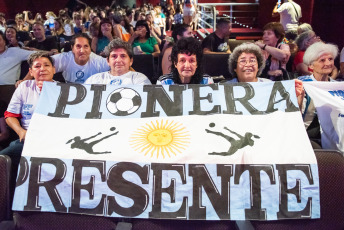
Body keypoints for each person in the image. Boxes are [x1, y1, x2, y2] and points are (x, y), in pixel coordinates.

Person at [0, 52, 55, 156]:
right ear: (31, 72)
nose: (42, 69)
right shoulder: (24, 86)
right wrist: (21, 131)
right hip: (28, 139)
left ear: (54, 69)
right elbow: (10, 115)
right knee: (4, 159)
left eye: (46, 65)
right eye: (37, 66)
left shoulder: (64, 89)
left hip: (54, 140)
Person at [21, 33, 109, 84]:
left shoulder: (99, 61)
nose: (82, 50)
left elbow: (116, 67)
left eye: (86, 46)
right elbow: (39, 64)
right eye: (78, 46)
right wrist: (24, 82)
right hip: (69, 93)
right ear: (72, 48)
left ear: (90, 49)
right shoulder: (65, 58)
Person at [298, 42, 338, 146]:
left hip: (335, 133)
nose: (328, 63)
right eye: (322, 60)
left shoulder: (338, 86)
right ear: (311, 65)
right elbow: (295, 112)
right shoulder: (302, 83)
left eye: (330, 59)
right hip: (309, 133)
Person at [86, 38, 151, 85]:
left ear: (131, 61)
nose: (118, 60)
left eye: (123, 56)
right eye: (114, 56)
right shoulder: (94, 80)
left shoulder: (140, 80)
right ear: (108, 61)